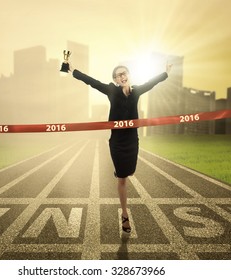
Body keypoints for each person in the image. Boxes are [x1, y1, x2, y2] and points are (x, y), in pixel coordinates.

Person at [67, 61, 172, 233]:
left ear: (129, 76)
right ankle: (124, 215)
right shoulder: (112, 90)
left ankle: (121, 171)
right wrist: (73, 71)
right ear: (115, 80)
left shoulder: (136, 91)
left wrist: (165, 73)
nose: (122, 77)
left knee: (130, 171)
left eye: (124, 73)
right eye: (118, 75)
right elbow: (93, 82)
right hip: (117, 142)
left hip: (132, 140)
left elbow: (151, 83)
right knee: (123, 177)